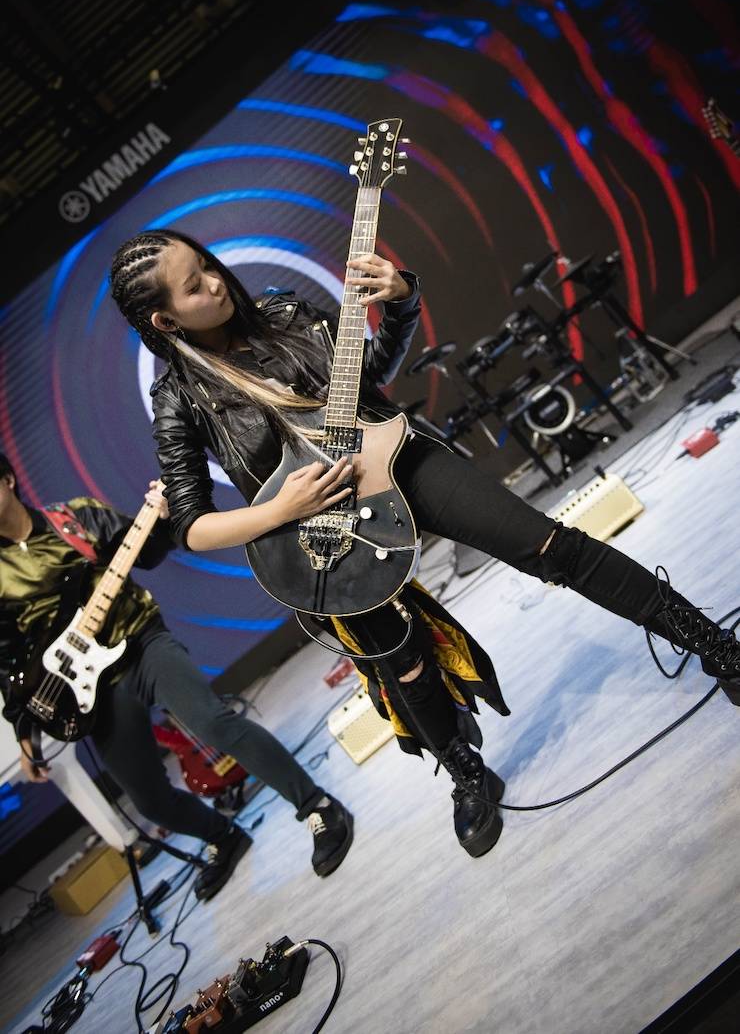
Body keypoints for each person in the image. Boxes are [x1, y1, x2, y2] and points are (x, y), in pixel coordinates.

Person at [109, 229, 740, 859]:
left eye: (207, 265)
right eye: (194, 286)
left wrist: (402, 300)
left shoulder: (286, 313)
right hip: (324, 535)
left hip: (398, 461)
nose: (215, 281)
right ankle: (467, 773)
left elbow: (370, 373)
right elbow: (191, 526)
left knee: (551, 547)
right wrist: (280, 509)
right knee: (402, 661)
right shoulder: (178, 398)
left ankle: (714, 645)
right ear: (166, 319)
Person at [0, 453, 353, 898]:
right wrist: (25, 731)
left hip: (140, 642)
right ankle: (222, 836)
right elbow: (8, 661)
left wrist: (163, 518)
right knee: (149, 801)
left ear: (8, 480)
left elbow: (147, 553)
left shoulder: (74, 518)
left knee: (215, 724)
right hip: (89, 691)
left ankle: (317, 805)